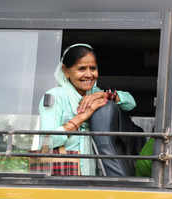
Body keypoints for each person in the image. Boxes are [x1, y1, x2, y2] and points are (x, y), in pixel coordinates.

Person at [38, 43, 136, 176]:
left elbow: (131, 103)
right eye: (82, 69)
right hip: (63, 179)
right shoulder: (55, 96)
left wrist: (106, 94)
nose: (89, 74)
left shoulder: (96, 93)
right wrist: (82, 117)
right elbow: (47, 141)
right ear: (66, 71)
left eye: (93, 68)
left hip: (92, 177)